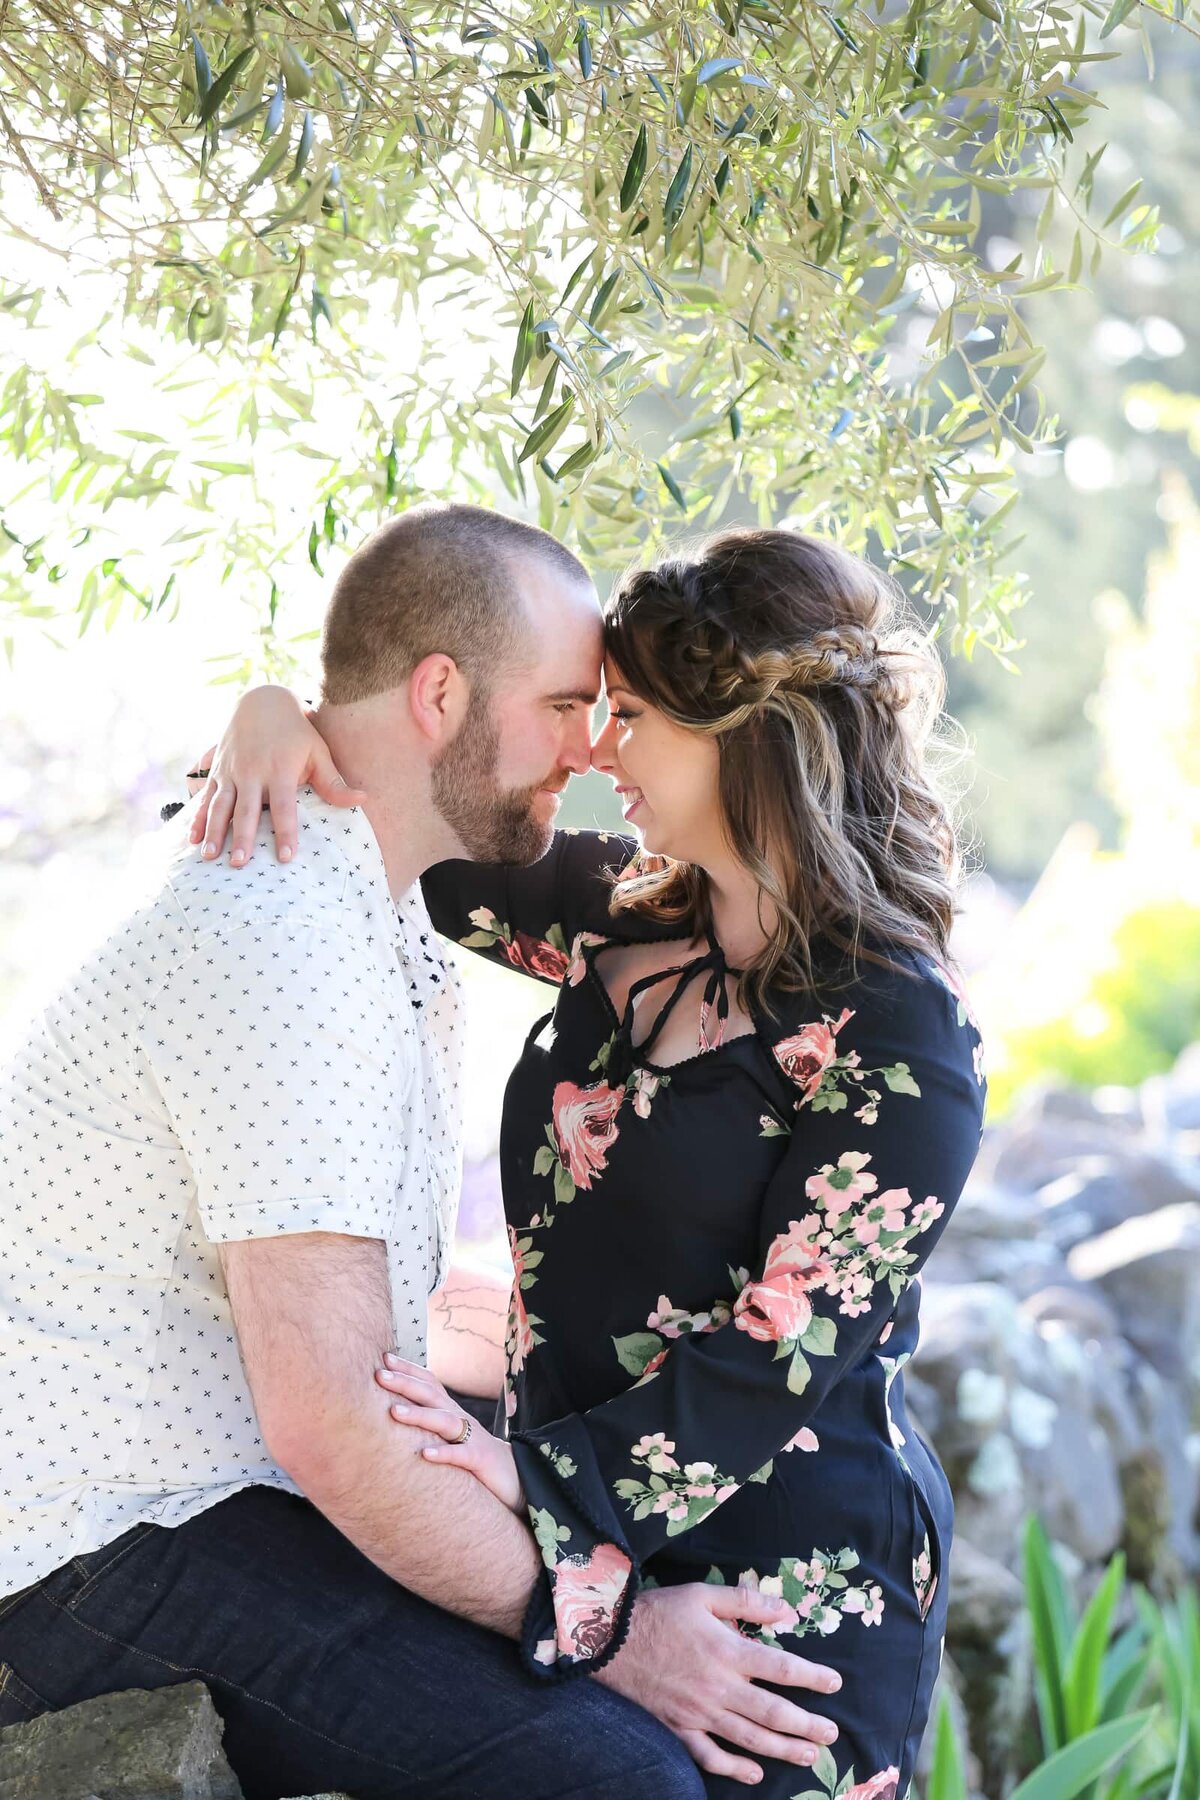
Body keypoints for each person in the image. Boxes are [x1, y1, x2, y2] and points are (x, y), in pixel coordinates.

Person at [0, 504, 847, 1800]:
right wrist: (611, 1632)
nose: (591, 747)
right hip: (89, 1547)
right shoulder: (284, 935)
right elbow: (333, 1423)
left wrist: (272, 706)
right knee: (625, 1783)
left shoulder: (371, 894)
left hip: (212, 1492)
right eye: (567, 705)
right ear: (442, 693)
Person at [190, 520, 988, 1800]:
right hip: (561, 1534)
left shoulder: (904, 1032)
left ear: (746, 740)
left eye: (632, 716)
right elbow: (401, 802)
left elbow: (781, 1348)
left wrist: (531, 1475)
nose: (593, 746)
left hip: (780, 1593)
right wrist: (275, 714)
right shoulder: (613, 914)